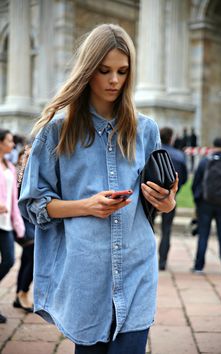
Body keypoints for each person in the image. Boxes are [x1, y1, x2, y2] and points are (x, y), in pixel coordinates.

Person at [19, 24, 178, 354]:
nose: (114, 81)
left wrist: (166, 202)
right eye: (104, 71)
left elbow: (161, 204)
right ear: (88, 70)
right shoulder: (57, 131)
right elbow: (34, 204)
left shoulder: (146, 130)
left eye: (123, 71)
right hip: (86, 275)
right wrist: (86, 206)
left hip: (137, 267)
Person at [192, 137, 221, 275]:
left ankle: (199, 266)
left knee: (203, 235)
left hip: (205, 203)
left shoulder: (205, 162)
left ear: (213, 145)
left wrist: (198, 201)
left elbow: (196, 184)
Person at [0, 129, 25, 323]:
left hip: (6, 223)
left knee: (8, 260)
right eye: (9, 141)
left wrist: (19, 224)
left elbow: (13, 199)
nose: (12, 144)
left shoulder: (9, 166)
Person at [158, 127, 188, 270]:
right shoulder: (179, 155)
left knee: (146, 228)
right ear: (171, 138)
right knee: (166, 230)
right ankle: (162, 262)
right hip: (170, 196)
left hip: (149, 196)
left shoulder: (151, 152)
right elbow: (185, 178)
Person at [13, 146, 34, 313]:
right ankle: (22, 294)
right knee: (32, 253)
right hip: (18, 221)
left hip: (29, 221)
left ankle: (20, 295)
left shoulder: (32, 171)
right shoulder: (18, 172)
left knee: (28, 258)